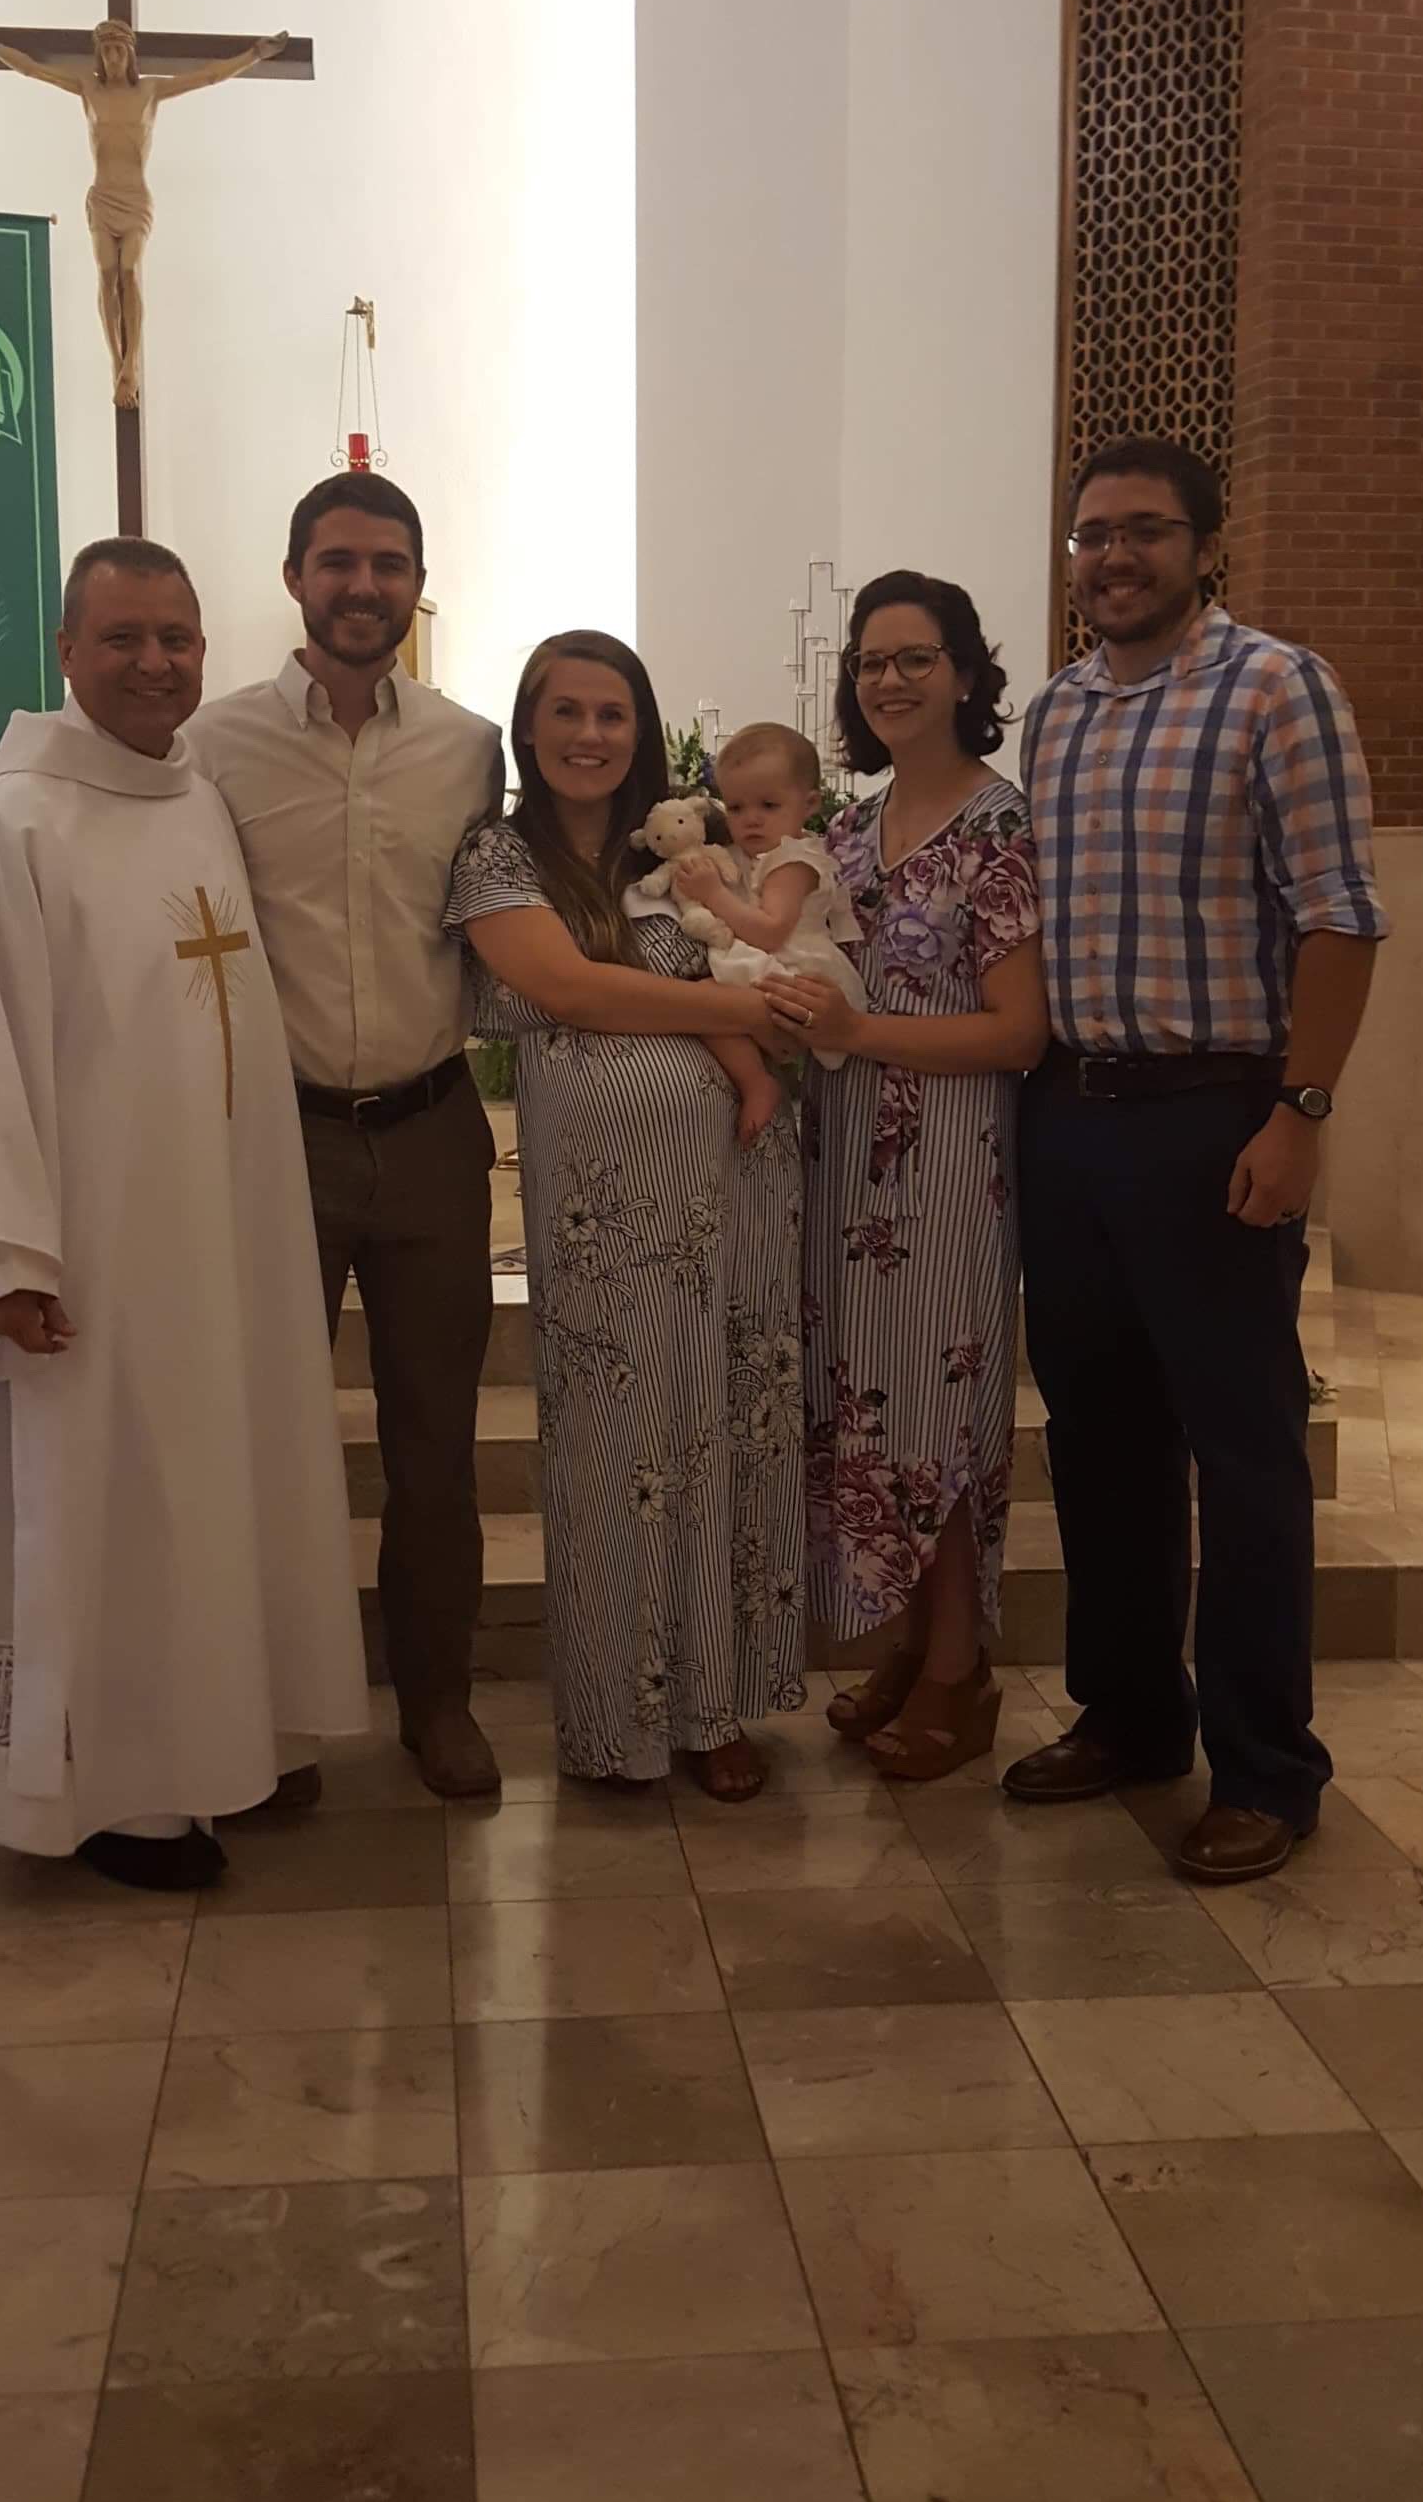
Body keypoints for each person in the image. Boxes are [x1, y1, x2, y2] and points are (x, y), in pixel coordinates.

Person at [0, 540, 368, 1893]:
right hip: (88, 1253)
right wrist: (0, 1253)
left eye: (178, 638)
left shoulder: (195, 798)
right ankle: (107, 1794)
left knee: (210, 1485)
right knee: (105, 1497)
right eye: (125, 638)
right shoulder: (6, 831)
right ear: (66, 651)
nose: (157, 663)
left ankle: (224, 1744)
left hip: (219, 1235)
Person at [1004, 436, 1387, 1882]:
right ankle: (1130, 1716)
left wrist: (1302, 1113)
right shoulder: (1054, 715)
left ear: (1204, 548)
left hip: (1215, 1113)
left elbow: (1339, 915)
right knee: (1099, 1437)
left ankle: (1268, 1767)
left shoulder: (1277, 688)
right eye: (1092, 534)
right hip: (1072, 1114)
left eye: (1146, 530)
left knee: (1243, 1451)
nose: (1114, 556)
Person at [445, 632, 805, 1802]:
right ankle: (618, 1721)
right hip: (600, 1216)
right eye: (566, 712)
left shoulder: (685, 854)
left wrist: (749, 1033)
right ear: (529, 725)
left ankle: (715, 1710)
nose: (589, 735)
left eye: (612, 714)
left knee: (724, 1429)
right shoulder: (499, 854)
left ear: (640, 731)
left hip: (727, 1191)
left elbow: (762, 956)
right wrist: (731, 1015)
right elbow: (569, 989)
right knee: (614, 1450)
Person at [191, 474, 507, 1800]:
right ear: (294, 577)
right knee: (269, 1440)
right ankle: (276, 1721)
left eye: (388, 564)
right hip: (281, 1139)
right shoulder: (212, 746)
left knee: (436, 1448)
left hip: (432, 1131)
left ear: (417, 584)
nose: (362, 586)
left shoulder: (471, 747)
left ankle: (438, 1703)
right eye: (338, 562)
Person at [767, 578, 1046, 1781]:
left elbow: (1019, 1032)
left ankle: (959, 1670)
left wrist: (857, 1031)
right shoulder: (843, 831)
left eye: (916, 658)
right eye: (872, 662)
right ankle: (913, 1643)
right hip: (842, 1164)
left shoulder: (998, 827)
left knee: (937, 1417)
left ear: (967, 675)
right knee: (869, 1410)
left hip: (944, 1171)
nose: (889, 680)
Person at [0, 17, 288, 405]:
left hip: (135, 198)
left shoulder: (150, 91)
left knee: (129, 271)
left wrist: (255, 54)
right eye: (106, 51)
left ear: (129, 55)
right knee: (107, 273)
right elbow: (31, 69)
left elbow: (208, 76)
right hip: (103, 197)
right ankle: (118, 364)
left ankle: (132, 363)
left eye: (118, 50)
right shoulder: (87, 88)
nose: (111, 58)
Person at [669, 722, 869, 1069]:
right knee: (705, 1005)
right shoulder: (752, 852)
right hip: (770, 961)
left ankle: (757, 1083)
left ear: (809, 804)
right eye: (736, 808)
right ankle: (756, 1079)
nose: (751, 820)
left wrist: (713, 893)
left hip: (797, 974)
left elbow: (770, 931)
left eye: (769, 805)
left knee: (702, 1000)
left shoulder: (793, 862)